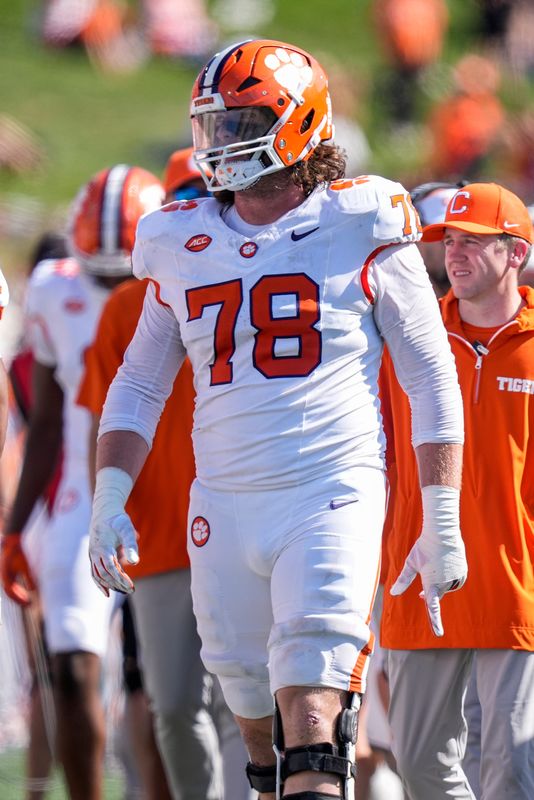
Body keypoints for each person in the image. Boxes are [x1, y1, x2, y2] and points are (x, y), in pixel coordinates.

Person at [87, 39, 466, 800]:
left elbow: (430, 374)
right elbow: (137, 385)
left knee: (315, 710)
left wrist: (442, 514)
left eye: (240, 123)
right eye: (214, 125)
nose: (220, 143)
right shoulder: (180, 240)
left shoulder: (363, 218)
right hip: (221, 504)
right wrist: (108, 498)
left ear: (299, 123)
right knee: (256, 727)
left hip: (329, 492)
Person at [77, 147, 252, 800]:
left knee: (248, 700)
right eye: (183, 194)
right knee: (173, 704)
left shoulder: (260, 277)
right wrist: (105, 509)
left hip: (242, 520)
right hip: (159, 532)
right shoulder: (127, 306)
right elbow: (110, 420)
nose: (197, 207)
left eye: (204, 192)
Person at [0, 164, 164, 800]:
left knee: (162, 686)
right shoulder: (52, 289)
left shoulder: (178, 280)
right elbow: (43, 424)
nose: (108, 285)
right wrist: (16, 527)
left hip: (165, 488)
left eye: (120, 273)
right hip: (77, 488)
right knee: (68, 666)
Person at [380, 182, 534, 800]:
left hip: (517, 577)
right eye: (450, 241)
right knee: (416, 762)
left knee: (511, 767)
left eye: (475, 242)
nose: (456, 255)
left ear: (515, 252)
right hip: (419, 577)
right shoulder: (407, 337)